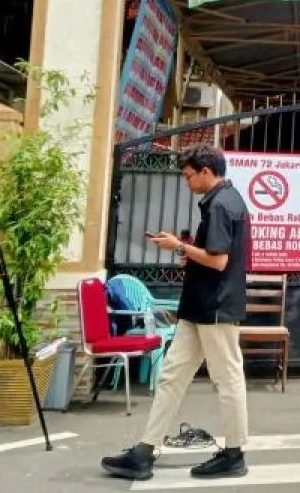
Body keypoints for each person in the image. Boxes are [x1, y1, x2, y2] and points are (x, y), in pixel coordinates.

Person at [101, 145, 251, 482]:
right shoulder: (223, 201)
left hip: (215, 307)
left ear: (206, 171)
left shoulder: (222, 205)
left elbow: (219, 260)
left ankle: (234, 453)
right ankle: (145, 451)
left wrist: (178, 246)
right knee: (172, 376)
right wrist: (189, 253)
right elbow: (212, 256)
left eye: (188, 175)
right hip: (199, 306)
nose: (186, 182)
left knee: (227, 379)